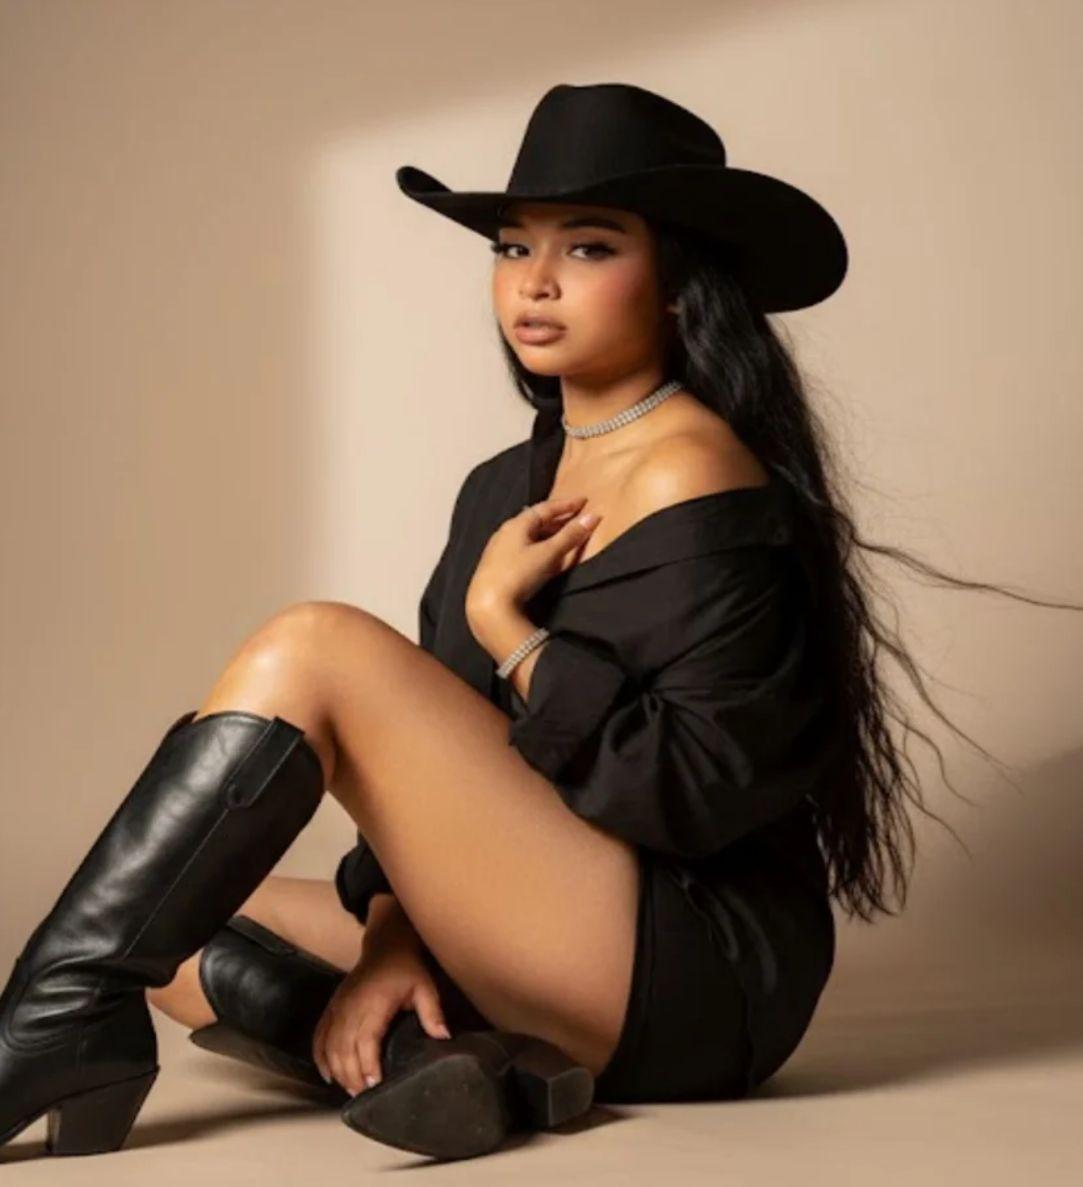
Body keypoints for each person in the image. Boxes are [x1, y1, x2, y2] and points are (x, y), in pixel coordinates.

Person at [2, 82, 1069, 1165]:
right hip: (535, 924)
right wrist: (391, 944)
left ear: (679, 287)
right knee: (178, 933)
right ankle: (448, 1065)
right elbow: (429, 782)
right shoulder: (500, 487)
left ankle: (44, 1032)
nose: (535, 281)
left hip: (683, 965)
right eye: (513, 248)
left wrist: (509, 631)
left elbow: (687, 794)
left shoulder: (700, 475)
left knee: (316, 645)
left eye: (589, 248)